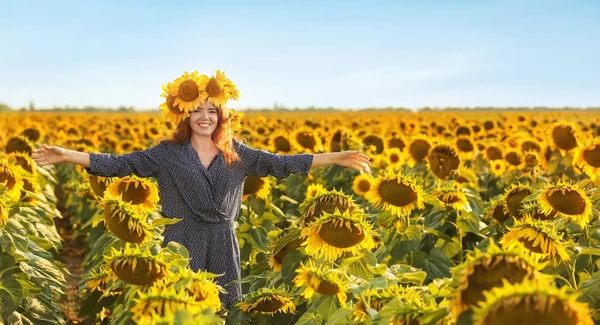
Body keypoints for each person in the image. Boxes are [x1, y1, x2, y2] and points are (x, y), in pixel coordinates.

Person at [31, 71, 371, 309]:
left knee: (223, 309)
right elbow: (121, 164)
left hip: (223, 241)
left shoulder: (237, 152)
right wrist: (68, 155)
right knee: (181, 308)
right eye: (197, 111)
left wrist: (336, 157)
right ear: (185, 116)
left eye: (212, 111)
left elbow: (281, 163)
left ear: (222, 117)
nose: (204, 116)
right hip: (181, 240)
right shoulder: (166, 154)